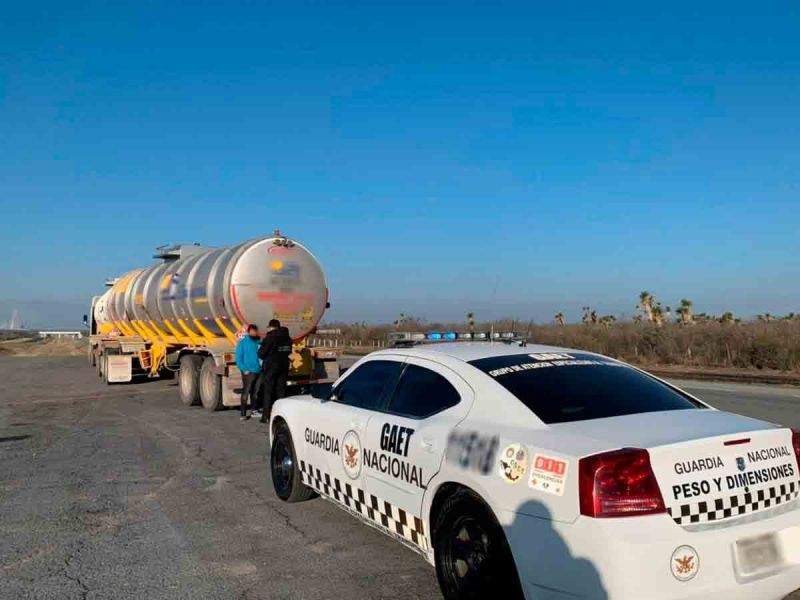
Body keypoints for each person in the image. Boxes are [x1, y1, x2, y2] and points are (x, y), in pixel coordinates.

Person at [258, 318, 292, 423]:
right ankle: (281, 416)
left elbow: (261, 353)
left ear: (272, 327)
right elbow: (289, 351)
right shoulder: (287, 338)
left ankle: (266, 417)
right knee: (281, 391)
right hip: (284, 366)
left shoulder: (270, 337)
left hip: (272, 367)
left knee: (268, 391)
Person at [235, 324, 262, 421]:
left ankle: (254, 411)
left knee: (256, 392)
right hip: (248, 371)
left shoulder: (259, 341)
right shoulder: (243, 342)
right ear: (248, 332)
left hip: (259, 370)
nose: (254, 333)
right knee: (246, 392)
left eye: (255, 331)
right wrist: (243, 369)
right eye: (252, 331)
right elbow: (238, 358)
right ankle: (243, 413)